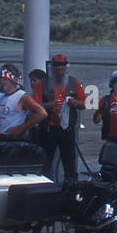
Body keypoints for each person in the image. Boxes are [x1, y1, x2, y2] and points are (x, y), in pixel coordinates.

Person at [33, 53, 86, 183]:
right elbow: (35, 105)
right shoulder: (42, 84)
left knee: (69, 161)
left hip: (67, 128)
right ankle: (43, 185)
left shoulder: (74, 82)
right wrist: (49, 105)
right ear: (52, 69)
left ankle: (71, 186)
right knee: (46, 160)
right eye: (57, 70)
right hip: (48, 129)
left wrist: (75, 103)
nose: (60, 72)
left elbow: (84, 104)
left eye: (63, 69)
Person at [0, 65, 47, 138]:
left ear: (8, 80)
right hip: (0, 138)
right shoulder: (0, 96)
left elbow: (42, 113)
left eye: (0, 79)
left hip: (13, 140)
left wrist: (21, 128)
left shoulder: (22, 96)